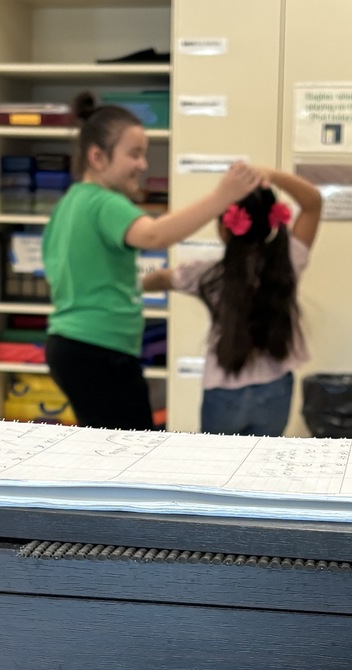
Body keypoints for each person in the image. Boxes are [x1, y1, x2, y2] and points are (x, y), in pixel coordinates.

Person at [42, 93, 261, 430]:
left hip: (72, 346)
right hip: (98, 350)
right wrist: (223, 196)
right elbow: (154, 236)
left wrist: (136, 285)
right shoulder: (104, 203)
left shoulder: (69, 204)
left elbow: (82, 271)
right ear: (97, 157)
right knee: (131, 454)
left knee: (112, 449)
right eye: (135, 154)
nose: (143, 165)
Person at [142, 167, 322, 435]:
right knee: (263, 469)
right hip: (276, 389)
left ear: (224, 229)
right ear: (273, 221)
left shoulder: (207, 275)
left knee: (218, 471)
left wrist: (133, 284)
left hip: (223, 392)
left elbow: (160, 279)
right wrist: (270, 175)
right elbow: (313, 203)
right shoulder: (289, 263)